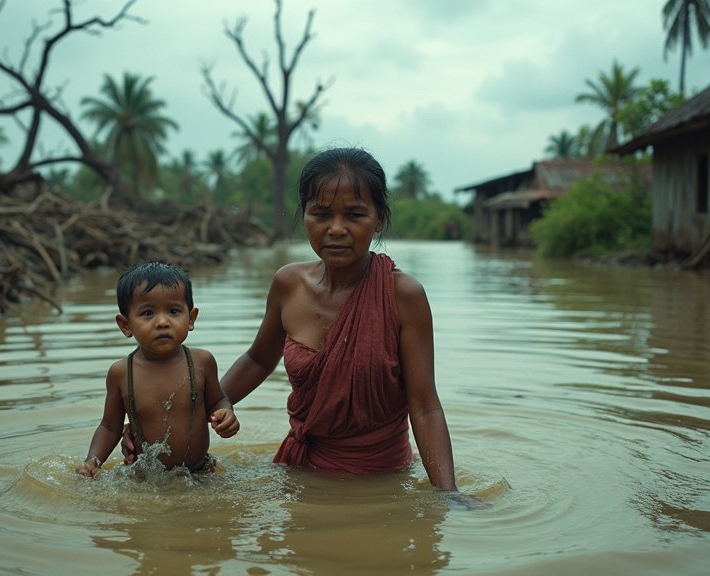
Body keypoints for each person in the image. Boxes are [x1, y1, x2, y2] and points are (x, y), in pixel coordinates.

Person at [125, 147, 458, 491]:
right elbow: (257, 360)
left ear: (379, 219)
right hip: (298, 472)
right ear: (305, 217)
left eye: (355, 215)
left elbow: (425, 407)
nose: (337, 229)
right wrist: (176, 420)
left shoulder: (403, 296)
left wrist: (449, 497)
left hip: (381, 482)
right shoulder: (288, 285)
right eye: (322, 214)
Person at [76, 261, 239, 477]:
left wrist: (226, 413)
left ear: (191, 318)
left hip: (200, 472)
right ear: (126, 325)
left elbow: (218, 400)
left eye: (173, 311)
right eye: (147, 313)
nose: (162, 322)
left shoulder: (202, 362)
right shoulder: (121, 373)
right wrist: (92, 462)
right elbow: (110, 427)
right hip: (146, 478)